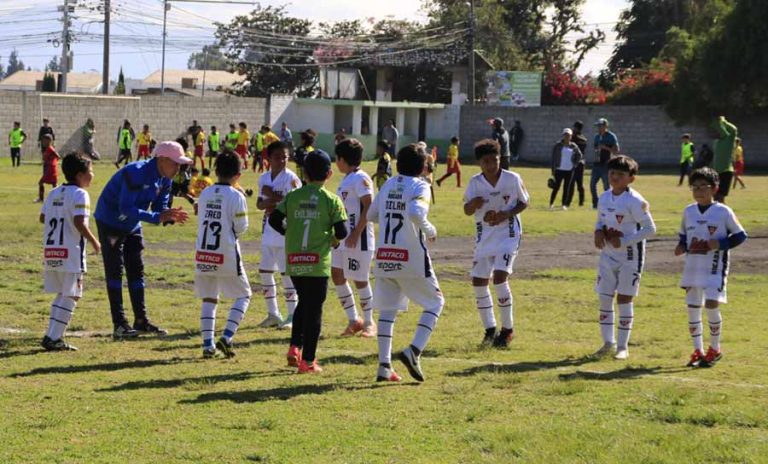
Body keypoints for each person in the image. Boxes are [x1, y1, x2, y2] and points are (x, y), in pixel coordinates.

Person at [94, 141, 191, 338]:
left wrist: (167, 213)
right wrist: (157, 217)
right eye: (175, 163)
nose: (178, 168)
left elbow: (158, 206)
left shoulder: (165, 179)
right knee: (115, 271)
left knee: (136, 270)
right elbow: (125, 208)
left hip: (132, 225)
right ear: (162, 159)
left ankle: (141, 321)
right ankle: (119, 324)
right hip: (111, 222)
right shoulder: (135, 172)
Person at [367, 144, 445, 383]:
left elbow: (371, 215)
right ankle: (414, 350)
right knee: (436, 302)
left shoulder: (388, 184)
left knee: (387, 311)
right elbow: (415, 211)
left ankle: (384, 366)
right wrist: (430, 230)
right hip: (410, 256)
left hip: (385, 255)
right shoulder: (421, 185)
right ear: (423, 166)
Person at [268, 150, 348, 373]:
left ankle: (295, 348)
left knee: (304, 302)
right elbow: (342, 230)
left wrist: (288, 232)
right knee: (314, 312)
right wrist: (332, 240)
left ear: (304, 174)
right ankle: (308, 361)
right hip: (317, 262)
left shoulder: (292, 196)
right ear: (329, 174)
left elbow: (274, 219)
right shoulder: (331, 199)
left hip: (294, 261)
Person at [675, 167, 747, 368]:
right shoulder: (688, 211)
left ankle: (715, 348)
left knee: (711, 304)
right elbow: (683, 236)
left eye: (703, 187)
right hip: (692, 266)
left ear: (714, 188)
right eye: (694, 187)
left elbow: (741, 236)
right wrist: (681, 246)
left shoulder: (723, 211)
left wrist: (720, 243)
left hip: (715, 267)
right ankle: (697, 350)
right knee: (692, 308)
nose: (698, 192)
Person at [463, 139, 529, 348]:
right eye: (486, 162)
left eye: (495, 160)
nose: (491, 165)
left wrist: (507, 213)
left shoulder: (512, 178)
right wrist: (473, 204)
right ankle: (490, 330)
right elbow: (467, 210)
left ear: (501, 159)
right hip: (485, 237)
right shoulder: (475, 183)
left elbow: (524, 201)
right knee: (478, 282)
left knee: (500, 278)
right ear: (479, 163)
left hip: (508, 235)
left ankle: (507, 329)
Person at [592, 155, 656, 360]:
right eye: (612, 173)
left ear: (631, 178)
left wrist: (625, 241)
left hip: (630, 257)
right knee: (604, 297)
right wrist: (598, 231)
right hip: (607, 256)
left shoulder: (636, 201)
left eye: (620, 174)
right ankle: (607, 343)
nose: (615, 177)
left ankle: (622, 347)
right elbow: (601, 220)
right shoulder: (604, 197)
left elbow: (650, 229)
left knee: (624, 299)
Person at [194, 150, 252, 358]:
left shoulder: (206, 193)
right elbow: (241, 227)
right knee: (244, 294)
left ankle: (208, 344)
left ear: (216, 171)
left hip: (204, 252)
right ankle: (226, 337)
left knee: (209, 297)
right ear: (238, 175)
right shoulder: (236, 196)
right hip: (226, 253)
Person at [40, 153, 100, 351]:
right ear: (80, 174)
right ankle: (54, 338)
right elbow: (78, 222)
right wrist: (94, 242)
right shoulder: (80, 194)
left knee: (63, 293)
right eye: (90, 170)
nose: (93, 174)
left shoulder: (54, 192)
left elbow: (43, 217)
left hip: (52, 250)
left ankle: (51, 335)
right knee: (73, 294)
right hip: (71, 252)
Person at [332, 139, 377, 338]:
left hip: (359, 239)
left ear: (342, 159)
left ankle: (369, 322)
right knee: (337, 275)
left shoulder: (360, 178)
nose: (336, 163)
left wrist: (356, 233)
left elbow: (369, 205)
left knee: (360, 279)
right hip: (342, 239)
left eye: (337, 159)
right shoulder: (347, 179)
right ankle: (354, 320)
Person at [256, 141, 302, 330]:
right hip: (268, 231)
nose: (282, 160)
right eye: (277, 157)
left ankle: (292, 315)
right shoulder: (263, 178)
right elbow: (259, 205)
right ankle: (273, 313)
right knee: (265, 272)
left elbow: (295, 203)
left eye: (285, 156)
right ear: (268, 159)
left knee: (286, 274)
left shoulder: (291, 179)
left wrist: (272, 198)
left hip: (286, 232)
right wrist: (271, 200)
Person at [549, 128, 583, 210]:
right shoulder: (558, 146)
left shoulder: (573, 146)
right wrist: (553, 169)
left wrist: (574, 164)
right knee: (556, 187)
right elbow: (553, 158)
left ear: (571, 136)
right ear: (563, 136)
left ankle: (563, 204)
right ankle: (551, 203)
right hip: (559, 169)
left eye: (568, 135)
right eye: (565, 135)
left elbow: (579, 155)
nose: (567, 137)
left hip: (569, 170)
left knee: (566, 188)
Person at [590, 118, 620, 209]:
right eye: (598, 126)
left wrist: (605, 147)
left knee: (606, 186)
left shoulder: (611, 136)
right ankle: (595, 203)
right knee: (592, 184)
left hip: (606, 164)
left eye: (600, 126)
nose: (599, 128)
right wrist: (597, 150)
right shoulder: (596, 137)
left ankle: (609, 204)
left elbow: (616, 150)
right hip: (596, 164)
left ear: (605, 126)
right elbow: (595, 148)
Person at [712, 116, 737, 203]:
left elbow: (734, 129)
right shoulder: (716, 142)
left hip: (726, 171)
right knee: (715, 197)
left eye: (716, 132)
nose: (714, 134)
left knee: (720, 197)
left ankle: (726, 215)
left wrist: (724, 122)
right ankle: (717, 215)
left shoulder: (729, 140)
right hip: (716, 171)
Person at [566, 121, 588, 207]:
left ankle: (569, 202)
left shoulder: (576, 139)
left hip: (576, 163)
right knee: (578, 184)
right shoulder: (582, 139)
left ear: (576, 128)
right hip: (579, 163)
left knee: (573, 183)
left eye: (574, 127)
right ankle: (580, 202)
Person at [37, 134, 60, 203]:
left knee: (41, 182)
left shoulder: (50, 148)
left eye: (44, 141)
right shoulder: (48, 149)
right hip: (50, 168)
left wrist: (52, 162)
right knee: (54, 184)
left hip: (50, 169)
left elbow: (57, 156)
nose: (43, 142)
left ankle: (41, 199)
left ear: (49, 141)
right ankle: (57, 198)